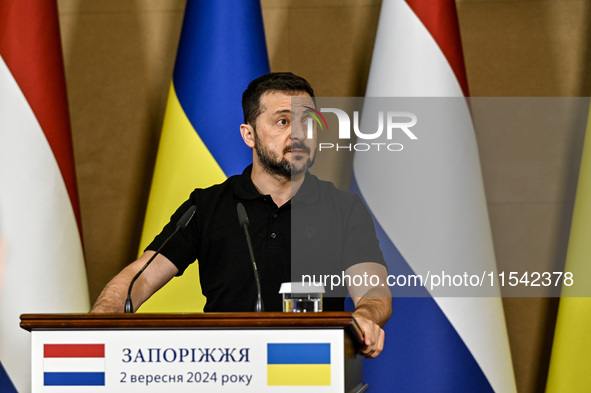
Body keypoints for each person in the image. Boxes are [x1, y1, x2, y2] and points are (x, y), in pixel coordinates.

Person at [91, 72, 391, 358]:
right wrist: (101, 317)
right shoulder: (207, 205)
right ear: (249, 135)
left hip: (312, 366)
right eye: (283, 121)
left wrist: (364, 317)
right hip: (225, 371)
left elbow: (373, 292)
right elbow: (138, 279)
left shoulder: (343, 208)